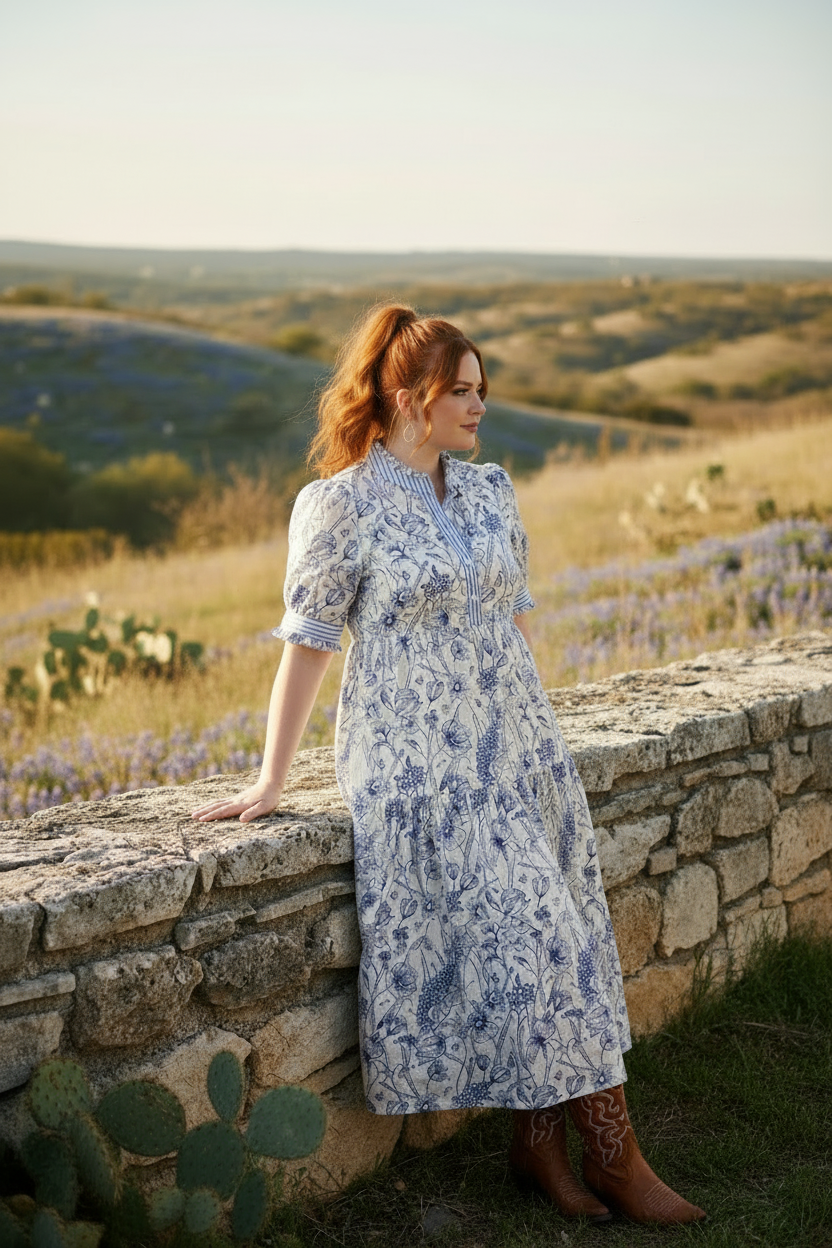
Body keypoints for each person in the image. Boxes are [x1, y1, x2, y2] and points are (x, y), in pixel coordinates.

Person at [192, 305, 706, 1226]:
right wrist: (270, 780)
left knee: (569, 940)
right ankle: (618, 1158)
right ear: (407, 396)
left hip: (516, 747)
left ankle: (539, 1148)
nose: (478, 406)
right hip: (419, 763)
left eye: (481, 390)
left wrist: (538, 737)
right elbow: (306, 646)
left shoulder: (489, 489)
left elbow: (510, 622)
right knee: (542, 938)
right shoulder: (340, 505)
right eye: (460, 391)